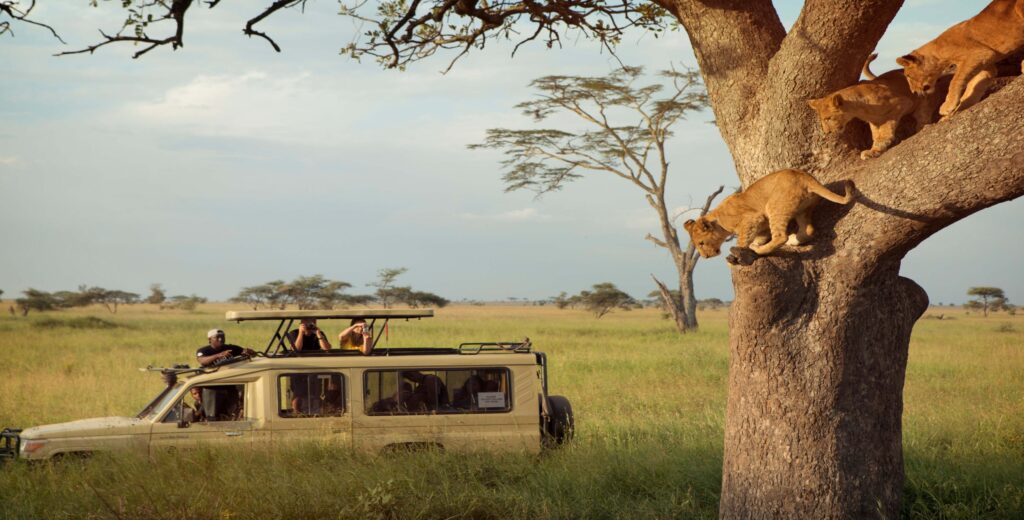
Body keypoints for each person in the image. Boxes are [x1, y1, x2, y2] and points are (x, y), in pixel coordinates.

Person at [285, 319, 331, 414]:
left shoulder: (319, 333)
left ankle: (316, 413)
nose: (310, 325)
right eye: (307, 323)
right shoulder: (294, 333)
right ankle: (296, 413)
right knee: (298, 393)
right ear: (301, 323)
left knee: (316, 393)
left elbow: (326, 348)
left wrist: (319, 335)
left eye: (312, 322)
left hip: (315, 367)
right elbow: (296, 349)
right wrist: (301, 333)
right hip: (299, 367)